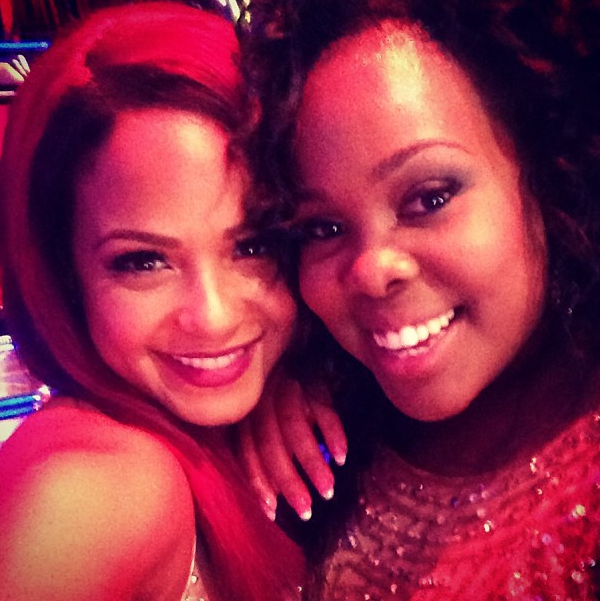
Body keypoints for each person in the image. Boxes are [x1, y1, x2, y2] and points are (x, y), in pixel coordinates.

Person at [239, 0, 600, 598]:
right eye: (323, 228)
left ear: (544, 173)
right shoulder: (330, 431)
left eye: (430, 198)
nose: (371, 271)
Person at [0, 3, 307, 600]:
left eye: (254, 246)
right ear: (65, 273)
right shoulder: (96, 490)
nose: (213, 317)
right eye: (143, 262)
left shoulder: (248, 427)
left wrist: (307, 371)